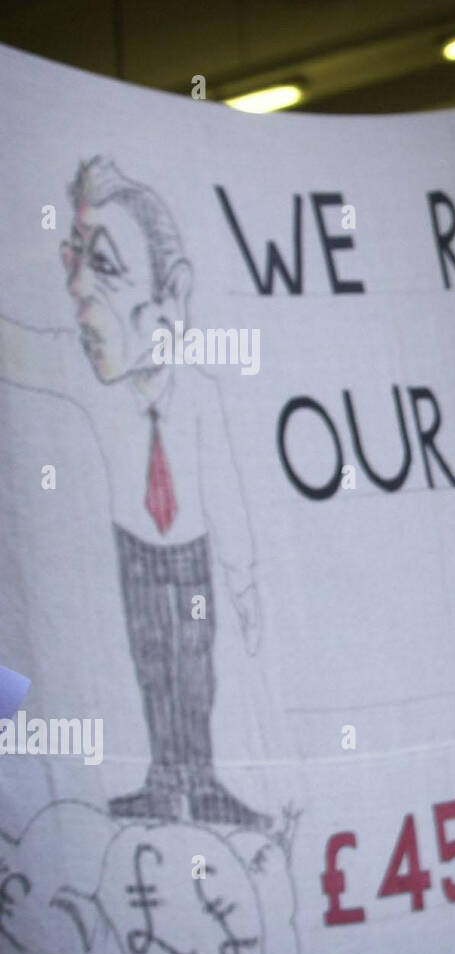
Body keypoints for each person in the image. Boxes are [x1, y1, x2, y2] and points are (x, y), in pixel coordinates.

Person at [0, 156, 269, 829]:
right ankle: (162, 778)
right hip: (136, 548)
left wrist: (242, 577)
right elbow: (19, 348)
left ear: (171, 293)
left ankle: (200, 778)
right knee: (152, 661)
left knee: (195, 666)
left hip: (192, 550)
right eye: (74, 261)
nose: (79, 291)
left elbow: (228, 493)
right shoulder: (90, 379)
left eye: (107, 267)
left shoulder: (201, 393)